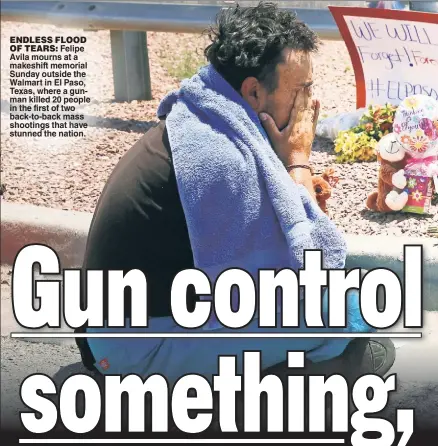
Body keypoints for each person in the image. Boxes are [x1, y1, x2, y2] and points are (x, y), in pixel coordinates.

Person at [75, 2, 395, 395]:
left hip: (127, 329)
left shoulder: (203, 120)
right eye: (301, 90)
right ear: (254, 91)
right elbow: (304, 278)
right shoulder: (221, 158)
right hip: (135, 352)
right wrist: (298, 161)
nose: (308, 106)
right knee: (353, 320)